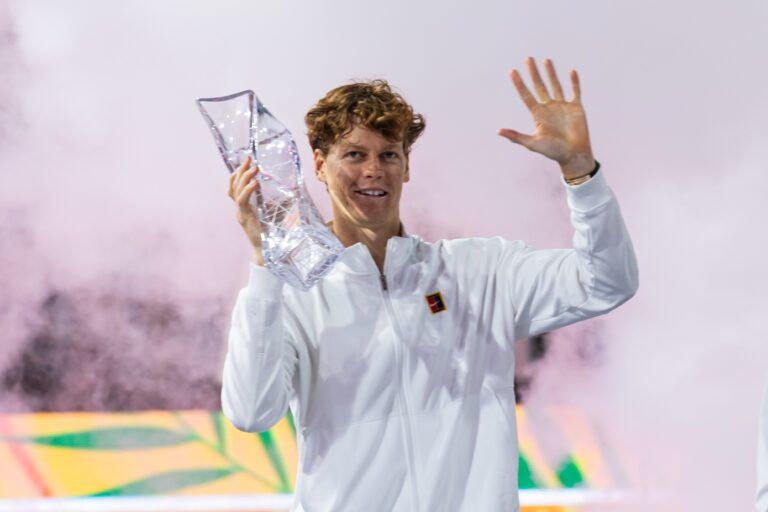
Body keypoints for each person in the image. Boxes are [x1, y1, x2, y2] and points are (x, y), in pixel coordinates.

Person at [222, 57, 638, 511]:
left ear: (407, 166)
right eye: (354, 154)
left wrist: (581, 173)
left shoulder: (479, 270)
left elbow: (606, 282)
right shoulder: (290, 294)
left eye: (389, 154)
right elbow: (251, 412)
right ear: (319, 165)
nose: (373, 170)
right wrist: (265, 265)